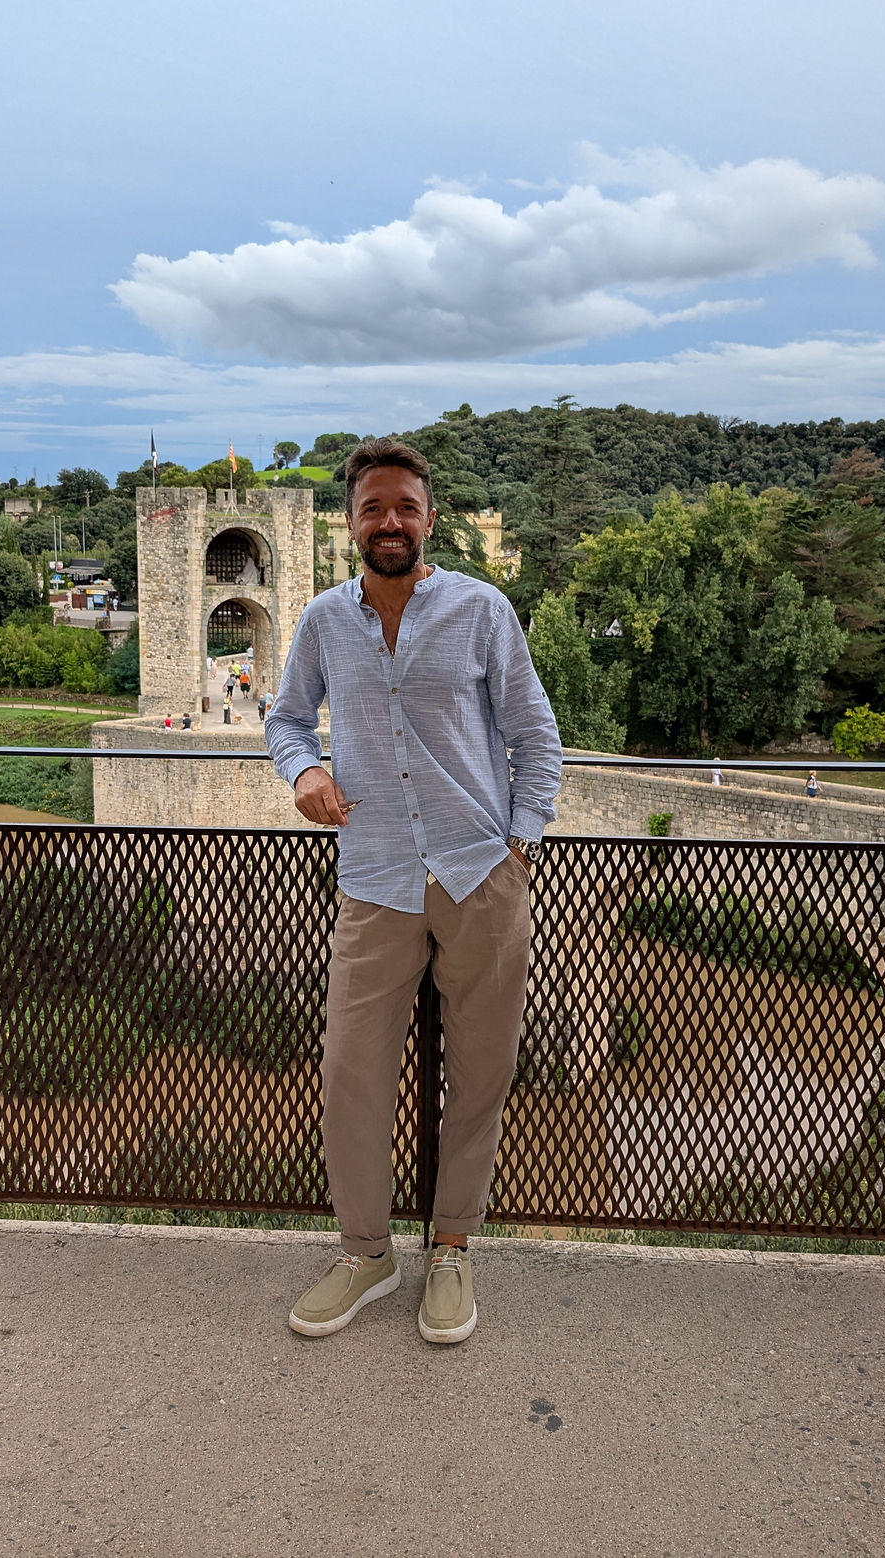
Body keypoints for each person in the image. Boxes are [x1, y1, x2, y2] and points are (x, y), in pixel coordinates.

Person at [266, 438, 562, 1345]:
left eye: (405, 507)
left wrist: (519, 842)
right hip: (376, 878)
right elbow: (285, 719)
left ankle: (452, 1248)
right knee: (350, 1072)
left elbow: (535, 735)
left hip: (480, 875)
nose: (389, 521)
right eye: (372, 508)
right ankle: (367, 1252)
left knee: (482, 1071)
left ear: (430, 518)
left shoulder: (481, 610)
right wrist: (304, 771)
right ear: (350, 522)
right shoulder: (323, 620)